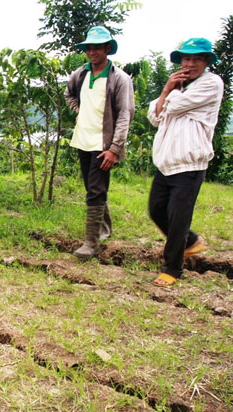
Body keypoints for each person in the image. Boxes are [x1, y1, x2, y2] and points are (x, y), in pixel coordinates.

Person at [147, 38, 223, 287]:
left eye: (197, 59)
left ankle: (172, 268)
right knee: (156, 210)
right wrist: (168, 92)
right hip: (166, 162)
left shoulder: (211, 83)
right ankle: (190, 242)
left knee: (178, 217)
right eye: (186, 59)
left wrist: (167, 92)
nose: (190, 64)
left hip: (190, 163)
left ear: (206, 62)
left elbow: (173, 107)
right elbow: (154, 117)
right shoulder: (180, 85)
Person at [64, 26, 135, 258]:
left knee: (95, 190)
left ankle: (91, 244)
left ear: (107, 48)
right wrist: (80, 110)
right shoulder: (80, 74)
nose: (92, 51)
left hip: (103, 144)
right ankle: (104, 228)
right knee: (93, 187)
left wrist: (115, 149)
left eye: (97, 47)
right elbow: (69, 95)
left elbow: (126, 114)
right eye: (89, 47)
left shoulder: (119, 79)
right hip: (82, 139)